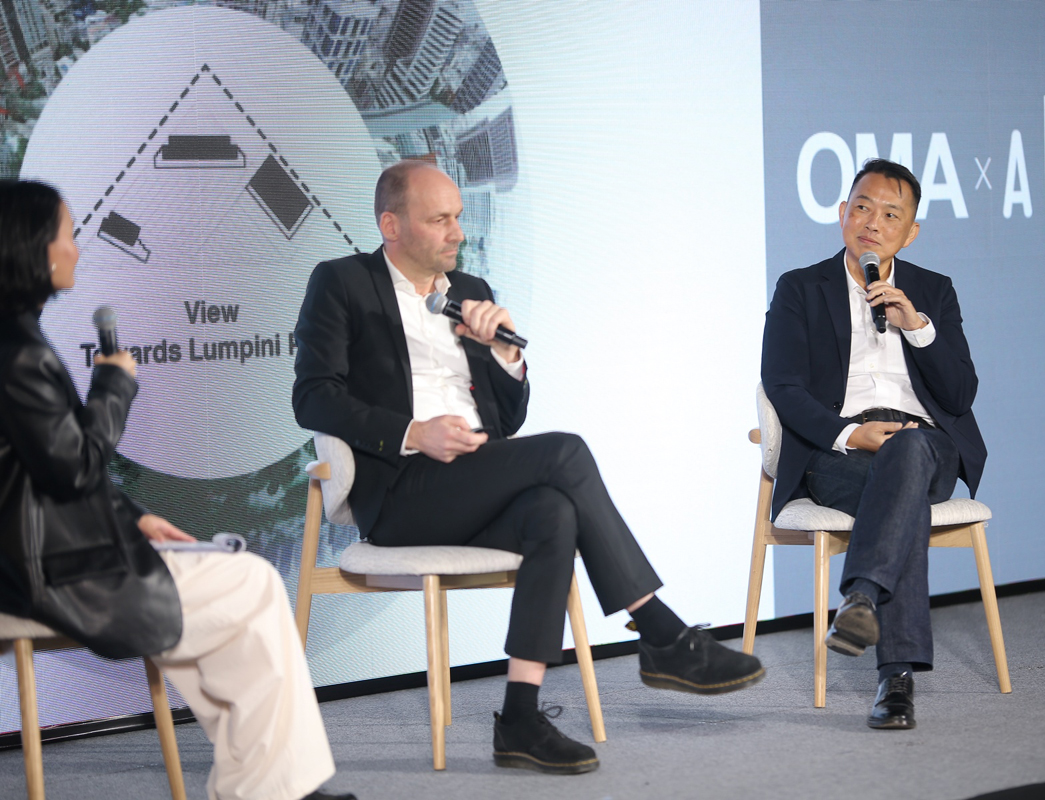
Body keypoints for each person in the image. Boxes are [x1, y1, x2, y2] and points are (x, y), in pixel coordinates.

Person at [292, 161, 764, 775]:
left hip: (473, 479)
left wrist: (505, 355)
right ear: (392, 225)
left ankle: (519, 718)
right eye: (440, 220)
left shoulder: (470, 289)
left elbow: (508, 419)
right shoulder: (342, 283)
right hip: (402, 491)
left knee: (553, 512)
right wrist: (412, 432)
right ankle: (660, 632)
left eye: (459, 217)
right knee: (566, 451)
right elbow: (313, 397)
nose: (457, 232)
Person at [0, 180, 355, 800]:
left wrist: (135, 518)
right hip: (54, 569)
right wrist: (113, 385)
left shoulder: (15, 341)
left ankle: (269, 782)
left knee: (230, 599)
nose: (76, 248)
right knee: (252, 582)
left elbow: (36, 467)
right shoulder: (18, 352)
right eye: (67, 235)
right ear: (31, 247)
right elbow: (73, 468)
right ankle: (270, 788)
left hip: (43, 553)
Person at [760, 159, 986, 730]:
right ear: (842, 213)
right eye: (862, 207)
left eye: (890, 215)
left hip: (925, 444)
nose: (872, 223)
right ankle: (895, 678)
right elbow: (782, 385)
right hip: (840, 450)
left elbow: (960, 394)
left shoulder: (934, 290)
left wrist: (918, 328)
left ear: (910, 233)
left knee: (907, 455)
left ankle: (861, 596)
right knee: (901, 498)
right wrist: (849, 434)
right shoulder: (800, 288)